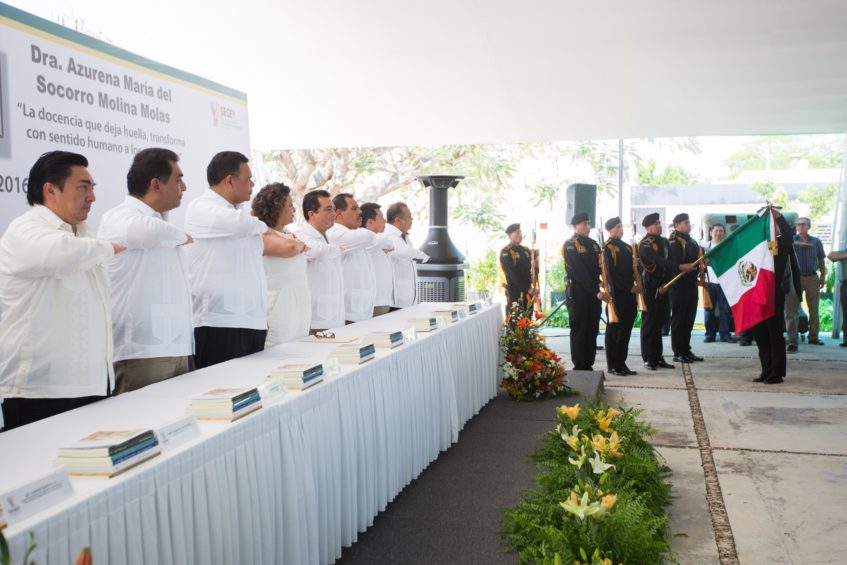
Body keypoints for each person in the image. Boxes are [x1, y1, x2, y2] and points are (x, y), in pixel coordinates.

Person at [0, 151, 126, 429]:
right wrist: (109, 247)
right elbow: (61, 253)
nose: (92, 197)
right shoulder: (24, 230)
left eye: (93, 188)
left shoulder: (83, 235)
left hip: (90, 384)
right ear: (50, 190)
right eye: (83, 187)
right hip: (40, 391)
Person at [97, 148, 194, 394]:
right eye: (178, 179)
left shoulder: (161, 223)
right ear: (155, 184)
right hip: (141, 352)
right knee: (142, 427)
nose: (183, 187)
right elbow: (147, 231)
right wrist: (182, 236)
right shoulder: (119, 216)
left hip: (175, 345)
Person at [183, 151, 268, 369]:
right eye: (248, 179)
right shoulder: (201, 207)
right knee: (220, 393)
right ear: (229, 180)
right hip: (218, 322)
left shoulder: (239, 212)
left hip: (251, 320)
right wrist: (260, 225)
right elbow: (241, 225)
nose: (252, 185)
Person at [251, 182, 310, 346]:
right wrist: (299, 245)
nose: (294, 209)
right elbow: (290, 248)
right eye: (290, 205)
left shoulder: (286, 234)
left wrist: (298, 245)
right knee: (279, 349)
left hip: (299, 300)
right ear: (276, 208)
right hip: (280, 304)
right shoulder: (262, 234)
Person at [638, 213, 696, 371]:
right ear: (647, 227)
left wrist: (667, 283)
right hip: (650, 287)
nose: (659, 225)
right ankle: (648, 358)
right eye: (655, 224)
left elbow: (669, 261)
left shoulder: (664, 241)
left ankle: (658, 357)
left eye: (659, 223)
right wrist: (679, 267)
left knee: (659, 322)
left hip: (664, 286)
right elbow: (658, 261)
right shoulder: (645, 244)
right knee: (649, 323)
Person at [752, 210, 800, 384]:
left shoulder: (779, 243)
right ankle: (766, 368)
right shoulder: (754, 246)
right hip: (755, 294)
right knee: (760, 333)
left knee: (774, 332)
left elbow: (788, 233)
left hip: (773, 293)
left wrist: (777, 216)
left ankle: (777, 372)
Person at [293, 190, 345, 331]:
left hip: (336, 315)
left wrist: (334, 248)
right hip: (315, 319)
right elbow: (316, 250)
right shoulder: (301, 234)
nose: (334, 214)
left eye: (334, 210)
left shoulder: (329, 237)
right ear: (311, 214)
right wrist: (337, 249)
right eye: (328, 210)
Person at [327, 193, 377, 323]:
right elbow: (369, 236)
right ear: (338, 213)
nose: (360, 212)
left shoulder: (353, 234)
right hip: (348, 312)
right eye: (354, 209)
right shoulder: (335, 233)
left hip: (361, 310)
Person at [563, 212, 603, 371]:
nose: (588, 226)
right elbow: (579, 272)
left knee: (592, 330)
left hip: (593, 294)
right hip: (579, 293)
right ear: (575, 227)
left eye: (589, 223)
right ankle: (580, 366)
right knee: (579, 330)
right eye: (584, 224)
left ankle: (589, 364)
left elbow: (598, 269)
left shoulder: (594, 245)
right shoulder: (570, 245)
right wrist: (595, 290)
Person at [602, 217, 639, 376]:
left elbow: (631, 271)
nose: (620, 229)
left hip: (629, 294)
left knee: (626, 330)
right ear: (610, 230)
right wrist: (628, 287)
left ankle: (622, 362)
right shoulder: (607, 248)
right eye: (617, 227)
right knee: (615, 331)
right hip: (617, 294)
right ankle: (613, 365)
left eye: (621, 226)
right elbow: (611, 274)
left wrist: (636, 267)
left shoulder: (627, 247)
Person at [785, 216, 827, 349]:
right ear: (796, 227)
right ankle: (792, 339)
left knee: (814, 308)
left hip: (812, 278)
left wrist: (822, 277)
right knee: (791, 309)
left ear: (809, 226)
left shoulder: (816, 241)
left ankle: (813, 337)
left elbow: (821, 259)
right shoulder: (791, 240)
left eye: (804, 224)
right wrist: (799, 244)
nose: (801, 226)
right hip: (795, 278)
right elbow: (783, 247)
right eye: (799, 225)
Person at [667, 213, 703, 363]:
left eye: (689, 223)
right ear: (677, 225)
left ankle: (686, 349)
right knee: (679, 319)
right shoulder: (674, 242)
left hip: (691, 284)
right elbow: (673, 263)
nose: (688, 225)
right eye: (685, 223)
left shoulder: (692, 241)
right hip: (678, 285)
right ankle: (678, 352)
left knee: (689, 318)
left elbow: (696, 257)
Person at [385, 202, 429, 309]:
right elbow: (405, 251)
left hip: (407, 298)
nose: (412, 219)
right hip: (396, 299)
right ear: (398, 220)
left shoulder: (403, 236)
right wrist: (425, 256)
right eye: (409, 216)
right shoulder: (388, 235)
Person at [361, 203, 395, 316]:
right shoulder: (368, 240)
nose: (385, 221)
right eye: (381, 218)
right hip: (375, 302)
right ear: (370, 222)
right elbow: (388, 242)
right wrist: (386, 246)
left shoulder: (376, 241)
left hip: (382, 300)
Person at [702, 223, 733, 343]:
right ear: (711, 233)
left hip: (724, 282)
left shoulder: (727, 246)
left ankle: (725, 334)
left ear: (724, 233)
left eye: (721, 231)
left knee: (725, 309)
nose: (718, 233)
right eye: (716, 231)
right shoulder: (704, 246)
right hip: (709, 282)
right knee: (708, 309)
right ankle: (710, 334)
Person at [500, 223, 534, 315]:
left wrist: (535, 266)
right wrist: (526, 288)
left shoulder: (526, 250)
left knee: (528, 319)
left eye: (520, 232)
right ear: (509, 236)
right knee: (517, 322)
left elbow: (529, 271)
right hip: (516, 292)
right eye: (517, 233)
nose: (520, 235)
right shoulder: (506, 252)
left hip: (528, 291)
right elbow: (512, 275)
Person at [826, 248, 847, 347]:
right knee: (846, 313)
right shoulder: (845, 251)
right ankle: (846, 340)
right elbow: (830, 255)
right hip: (846, 285)